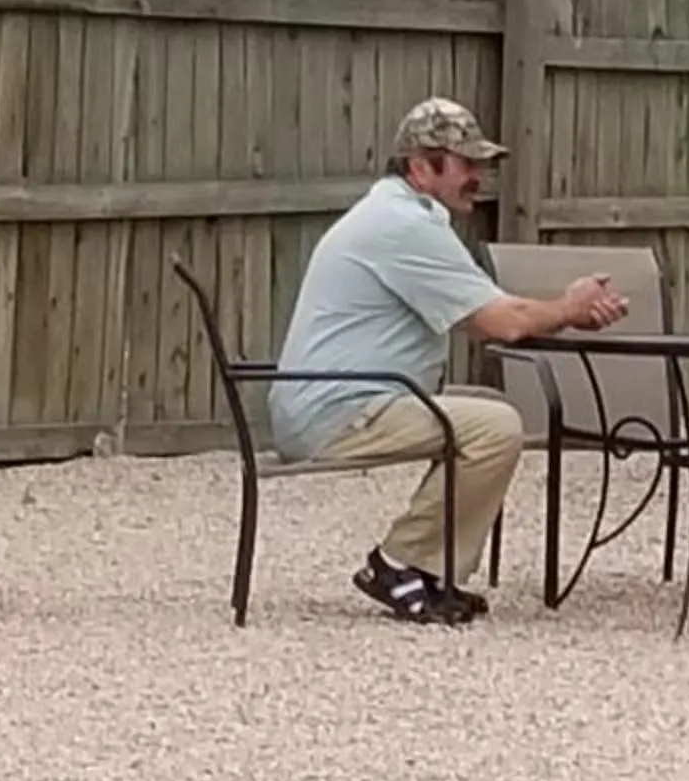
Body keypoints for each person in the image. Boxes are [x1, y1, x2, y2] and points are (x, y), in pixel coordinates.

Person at [268, 96, 630, 626]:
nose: (477, 176)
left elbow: (490, 310)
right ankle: (398, 563)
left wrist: (562, 312)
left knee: (485, 406)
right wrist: (568, 308)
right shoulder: (404, 226)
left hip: (339, 399)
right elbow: (500, 323)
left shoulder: (400, 216)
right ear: (420, 166)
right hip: (336, 411)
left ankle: (432, 573)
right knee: (495, 425)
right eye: (466, 163)